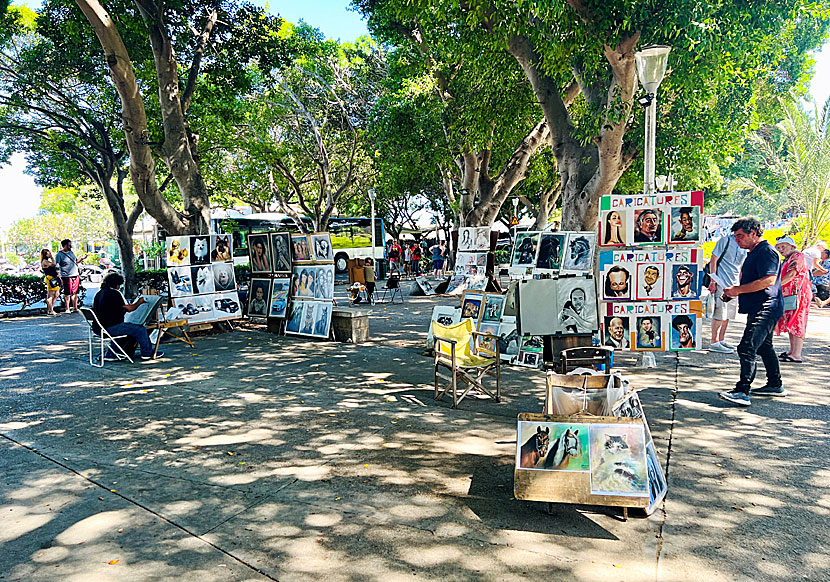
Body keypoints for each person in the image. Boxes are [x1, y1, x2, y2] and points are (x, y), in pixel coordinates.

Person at [719, 217, 784, 406]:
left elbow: (768, 280)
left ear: (753, 234)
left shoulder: (766, 252)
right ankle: (775, 383)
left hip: (767, 307)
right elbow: (754, 282)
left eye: (740, 236)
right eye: (736, 236)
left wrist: (738, 290)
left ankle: (742, 391)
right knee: (764, 346)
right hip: (759, 305)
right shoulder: (754, 252)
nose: (737, 240)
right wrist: (734, 292)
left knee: (747, 347)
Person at [93, 271, 162, 361]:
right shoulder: (113, 293)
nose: (119, 287)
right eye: (119, 285)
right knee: (140, 329)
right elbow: (130, 308)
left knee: (127, 328)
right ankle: (147, 353)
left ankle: (112, 353)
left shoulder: (100, 293)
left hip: (99, 327)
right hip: (110, 327)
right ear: (116, 284)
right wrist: (139, 302)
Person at [708, 231, 747, 354]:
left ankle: (721, 339)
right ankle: (714, 342)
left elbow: (741, 266)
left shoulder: (744, 245)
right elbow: (713, 260)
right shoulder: (725, 240)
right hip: (721, 281)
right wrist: (713, 281)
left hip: (734, 283)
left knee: (729, 313)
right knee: (720, 312)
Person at [773, 236, 812, 362]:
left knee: (798, 321)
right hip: (791, 294)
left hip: (799, 294)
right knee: (791, 322)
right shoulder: (788, 258)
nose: (781, 250)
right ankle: (792, 351)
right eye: (779, 248)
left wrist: (776, 285)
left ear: (792, 246)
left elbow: (792, 274)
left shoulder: (797, 256)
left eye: (783, 247)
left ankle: (796, 354)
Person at [55, 239, 87, 313]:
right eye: (69, 245)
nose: (71, 246)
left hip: (75, 274)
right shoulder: (59, 254)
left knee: (75, 292)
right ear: (65, 245)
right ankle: (67, 308)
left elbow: (76, 261)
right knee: (67, 293)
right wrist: (60, 277)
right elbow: (57, 266)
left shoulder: (71, 253)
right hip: (66, 276)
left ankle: (75, 307)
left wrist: (82, 258)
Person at [40, 249, 61, 316]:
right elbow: (54, 264)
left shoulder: (47, 261)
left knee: (56, 294)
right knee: (51, 295)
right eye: (48, 254)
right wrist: (52, 257)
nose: (50, 254)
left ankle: (51, 308)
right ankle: (51, 310)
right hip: (50, 278)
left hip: (54, 277)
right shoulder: (45, 262)